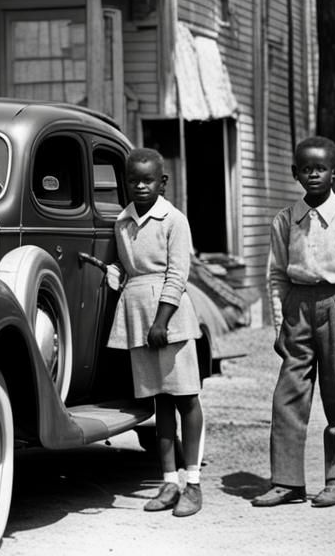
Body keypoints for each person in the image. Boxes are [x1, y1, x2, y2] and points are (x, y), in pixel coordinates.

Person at [252, 136, 335, 508]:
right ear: (295, 173)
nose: (312, 175)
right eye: (305, 169)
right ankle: (287, 482)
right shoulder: (286, 220)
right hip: (298, 307)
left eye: (320, 169)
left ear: (334, 173)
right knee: (288, 395)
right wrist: (281, 322)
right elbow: (276, 274)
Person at [107, 148, 205, 518]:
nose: (141, 186)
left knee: (185, 397)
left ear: (162, 182)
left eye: (148, 180)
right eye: (134, 180)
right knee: (160, 402)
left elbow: (178, 274)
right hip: (137, 315)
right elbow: (130, 268)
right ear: (126, 182)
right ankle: (168, 481)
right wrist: (115, 273)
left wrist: (162, 321)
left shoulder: (173, 220)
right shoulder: (122, 222)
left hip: (169, 318)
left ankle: (192, 484)